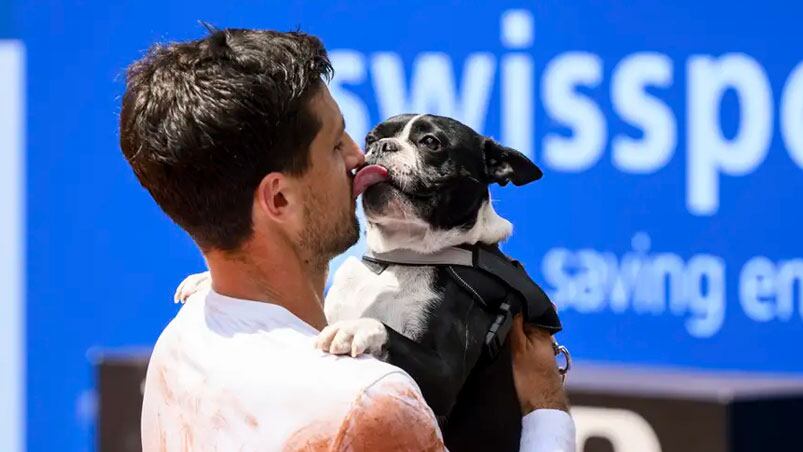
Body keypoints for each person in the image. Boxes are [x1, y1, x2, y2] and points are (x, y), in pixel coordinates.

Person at [119, 27, 575, 451]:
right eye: (338, 144)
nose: (361, 157)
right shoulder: (369, 406)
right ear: (278, 199)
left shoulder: (180, 341)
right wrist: (548, 415)